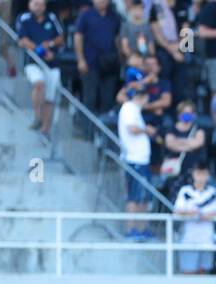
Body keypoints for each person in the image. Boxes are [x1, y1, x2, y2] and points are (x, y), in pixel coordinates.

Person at [16, 0, 65, 136]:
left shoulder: (52, 17)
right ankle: (37, 116)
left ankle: (45, 127)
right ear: (29, 4)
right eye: (35, 3)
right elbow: (23, 40)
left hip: (52, 63)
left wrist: (49, 44)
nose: (38, 7)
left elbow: (61, 38)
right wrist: (41, 52)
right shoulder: (24, 18)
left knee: (50, 97)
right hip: (33, 61)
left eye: (41, 4)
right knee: (39, 84)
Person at [74, 0, 124, 121]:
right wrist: (80, 60)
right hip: (90, 63)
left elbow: (118, 38)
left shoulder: (115, 16)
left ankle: (103, 136)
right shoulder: (85, 15)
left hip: (110, 64)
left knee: (107, 100)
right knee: (89, 99)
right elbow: (78, 37)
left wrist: (120, 56)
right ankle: (88, 134)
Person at [116, 84, 153, 232]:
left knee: (144, 197)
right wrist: (146, 130)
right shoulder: (129, 107)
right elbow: (131, 128)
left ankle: (142, 229)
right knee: (134, 197)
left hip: (141, 160)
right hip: (134, 159)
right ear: (144, 97)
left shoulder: (134, 109)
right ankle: (131, 229)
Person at [173, 163, 216, 274]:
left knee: (202, 272)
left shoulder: (213, 193)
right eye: (198, 173)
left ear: (208, 175)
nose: (201, 177)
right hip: (188, 239)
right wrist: (193, 213)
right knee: (188, 272)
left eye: (204, 174)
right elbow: (177, 211)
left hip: (207, 239)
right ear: (193, 174)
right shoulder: (185, 191)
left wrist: (198, 214)